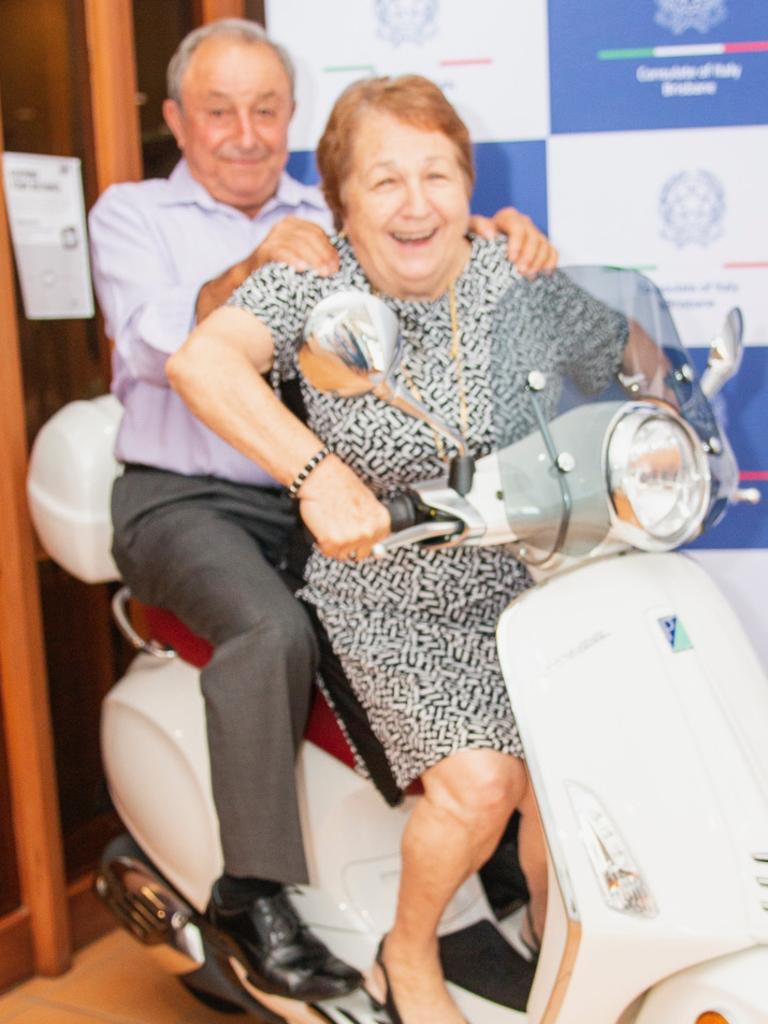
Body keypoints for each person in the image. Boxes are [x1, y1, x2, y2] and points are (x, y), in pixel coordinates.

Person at [88, 18, 558, 1006]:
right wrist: (259, 268)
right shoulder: (134, 214)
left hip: (322, 508)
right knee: (271, 625)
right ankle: (254, 894)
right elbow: (153, 346)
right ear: (177, 118)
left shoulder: (326, 206)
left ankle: (483, 845)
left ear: (292, 119)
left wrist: (492, 234)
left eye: (267, 110)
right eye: (219, 111)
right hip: (184, 497)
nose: (246, 131)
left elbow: (410, 249)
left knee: (468, 611)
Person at [167, 75, 629, 1024]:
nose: (417, 203)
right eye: (384, 181)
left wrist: (657, 405)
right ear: (340, 200)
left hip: (527, 573)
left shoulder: (506, 265)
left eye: (438, 174)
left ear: (468, 185)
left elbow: (620, 356)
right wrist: (316, 476)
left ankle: (555, 947)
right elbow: (200, 362)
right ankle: (406, 953)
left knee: (578, 772)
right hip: (388, 587)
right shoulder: (311, 272)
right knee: (484, 783)